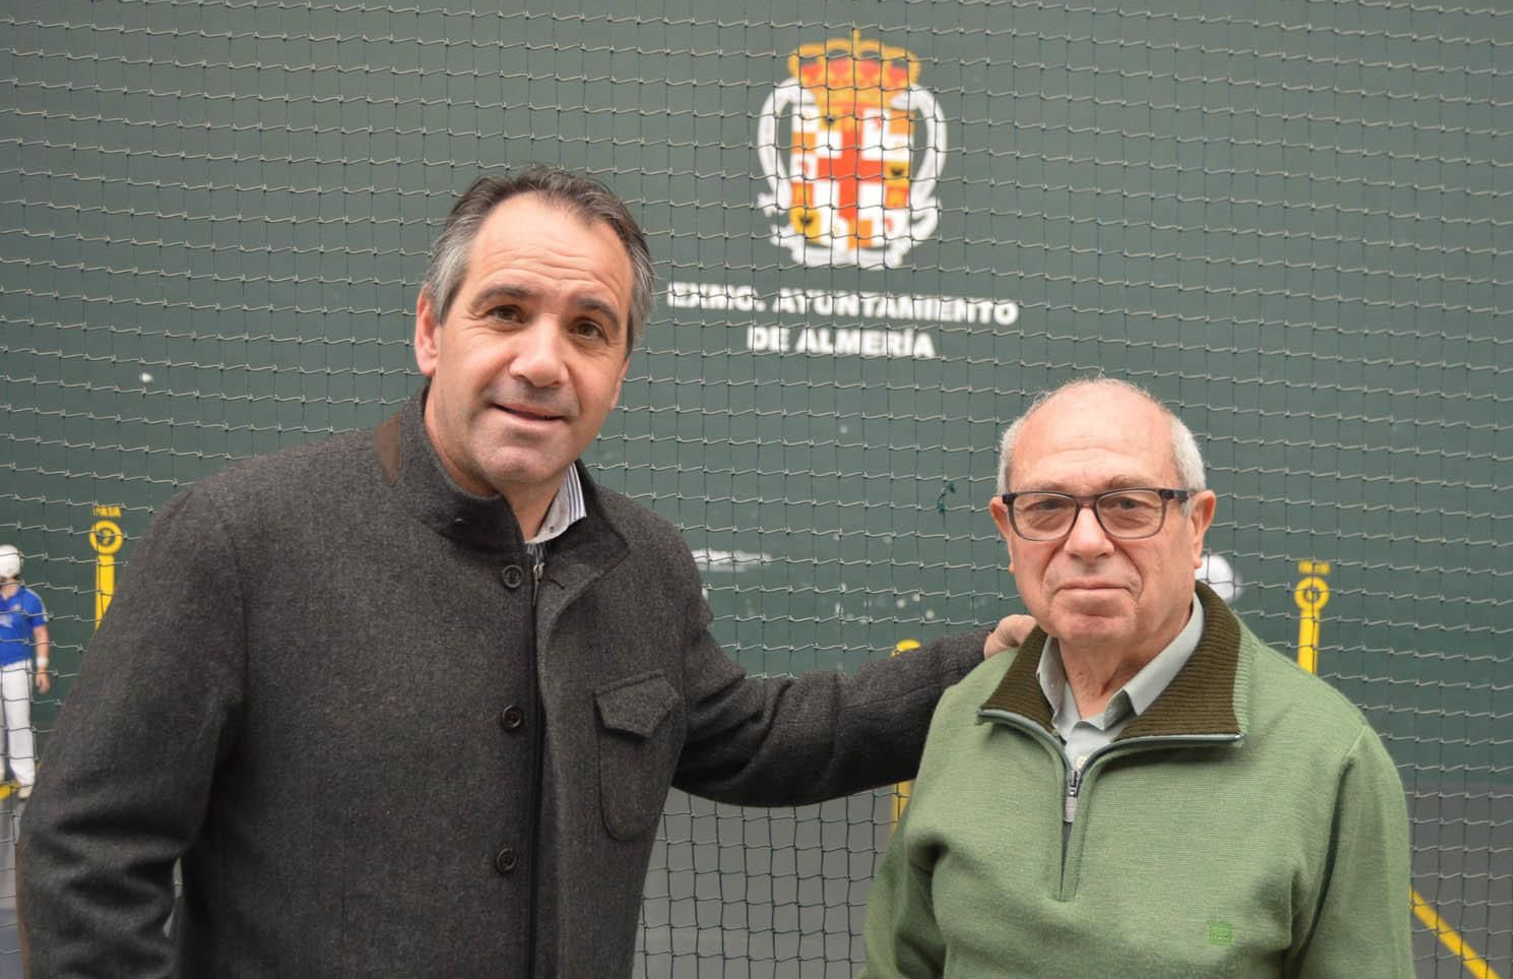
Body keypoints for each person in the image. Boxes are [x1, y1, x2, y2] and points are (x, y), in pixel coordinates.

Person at [18, 165, 1026, 977]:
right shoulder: (238, 538)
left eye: (589, 327)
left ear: (621, 371)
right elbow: (86, 854)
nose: (544, 361)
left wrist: (981, 661)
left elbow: (752, 737)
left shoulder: (646, 563)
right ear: (429, 330)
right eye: (506, 311)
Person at [862, 378, 1414, 978]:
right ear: (1007, 530)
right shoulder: (965, 711)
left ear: (1196, 525)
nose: (1088, 541)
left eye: (1128, 504)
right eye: (1047, 507)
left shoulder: (1330, 758)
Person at [0, 544, 51, 799]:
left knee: (18, 724)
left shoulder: (31, 599)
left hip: (17, 669)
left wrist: (41, 669)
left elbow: (41, 634)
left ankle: (26, 777)